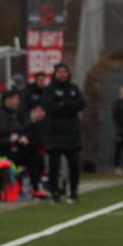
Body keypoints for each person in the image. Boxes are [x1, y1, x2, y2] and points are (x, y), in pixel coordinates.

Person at [43, 62, 85, 204]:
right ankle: (55, 193)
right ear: (55, 73)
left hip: (72, 133)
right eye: (59, 72)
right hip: (54, 133)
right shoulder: (49, 89)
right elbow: (51, 107)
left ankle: (73, 192)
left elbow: (80, 104)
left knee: (74, 164)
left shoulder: (74, 88)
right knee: (54, 166)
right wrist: (67, 105)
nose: (62, 74)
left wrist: (63, 103)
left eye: (65, 72)